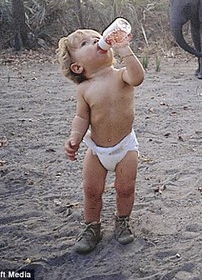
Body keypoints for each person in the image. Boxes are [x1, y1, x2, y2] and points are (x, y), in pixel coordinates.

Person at [56, 27, 145, 254]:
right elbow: (81, 117)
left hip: (125, 146)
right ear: (78, 67)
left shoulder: (120, 75)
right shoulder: (84, 89)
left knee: (125, 188)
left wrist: (125, 50)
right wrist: (75, 137)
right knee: (91, 190)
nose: (97, 42)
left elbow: (138, 77)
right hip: (96, 150)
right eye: (86, 43)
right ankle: (91, 227)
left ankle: (122, 220)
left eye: (98, 38)